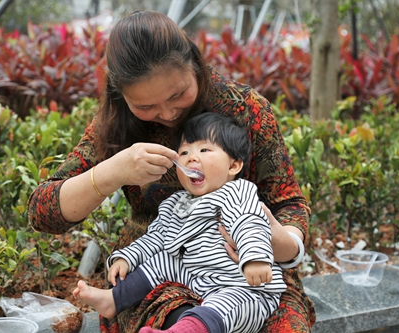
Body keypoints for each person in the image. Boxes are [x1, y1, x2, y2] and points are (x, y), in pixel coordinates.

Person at [28, 9, 315, 333]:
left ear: (195, 66)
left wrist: (281, 241)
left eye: (178, 94)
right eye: (146, 106)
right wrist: (113, 172)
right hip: (161, 266)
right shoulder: (115, 125)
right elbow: (42, 211)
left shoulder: (244, 108)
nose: (166, 112)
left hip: (251, 267)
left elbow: (289, 202)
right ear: (121, 95)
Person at [73, 112, 288, 333]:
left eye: (204, 150)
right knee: (161, 261)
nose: (191, 158)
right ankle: (114, 299)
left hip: (241, 283)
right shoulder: (177, 202)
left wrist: (255, 259)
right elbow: (155, 237)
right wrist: (127, 258)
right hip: (195, 276)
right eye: (184, 152)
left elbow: (249, 224)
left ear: (233, 166)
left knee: (224, 307)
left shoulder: (237, 191)